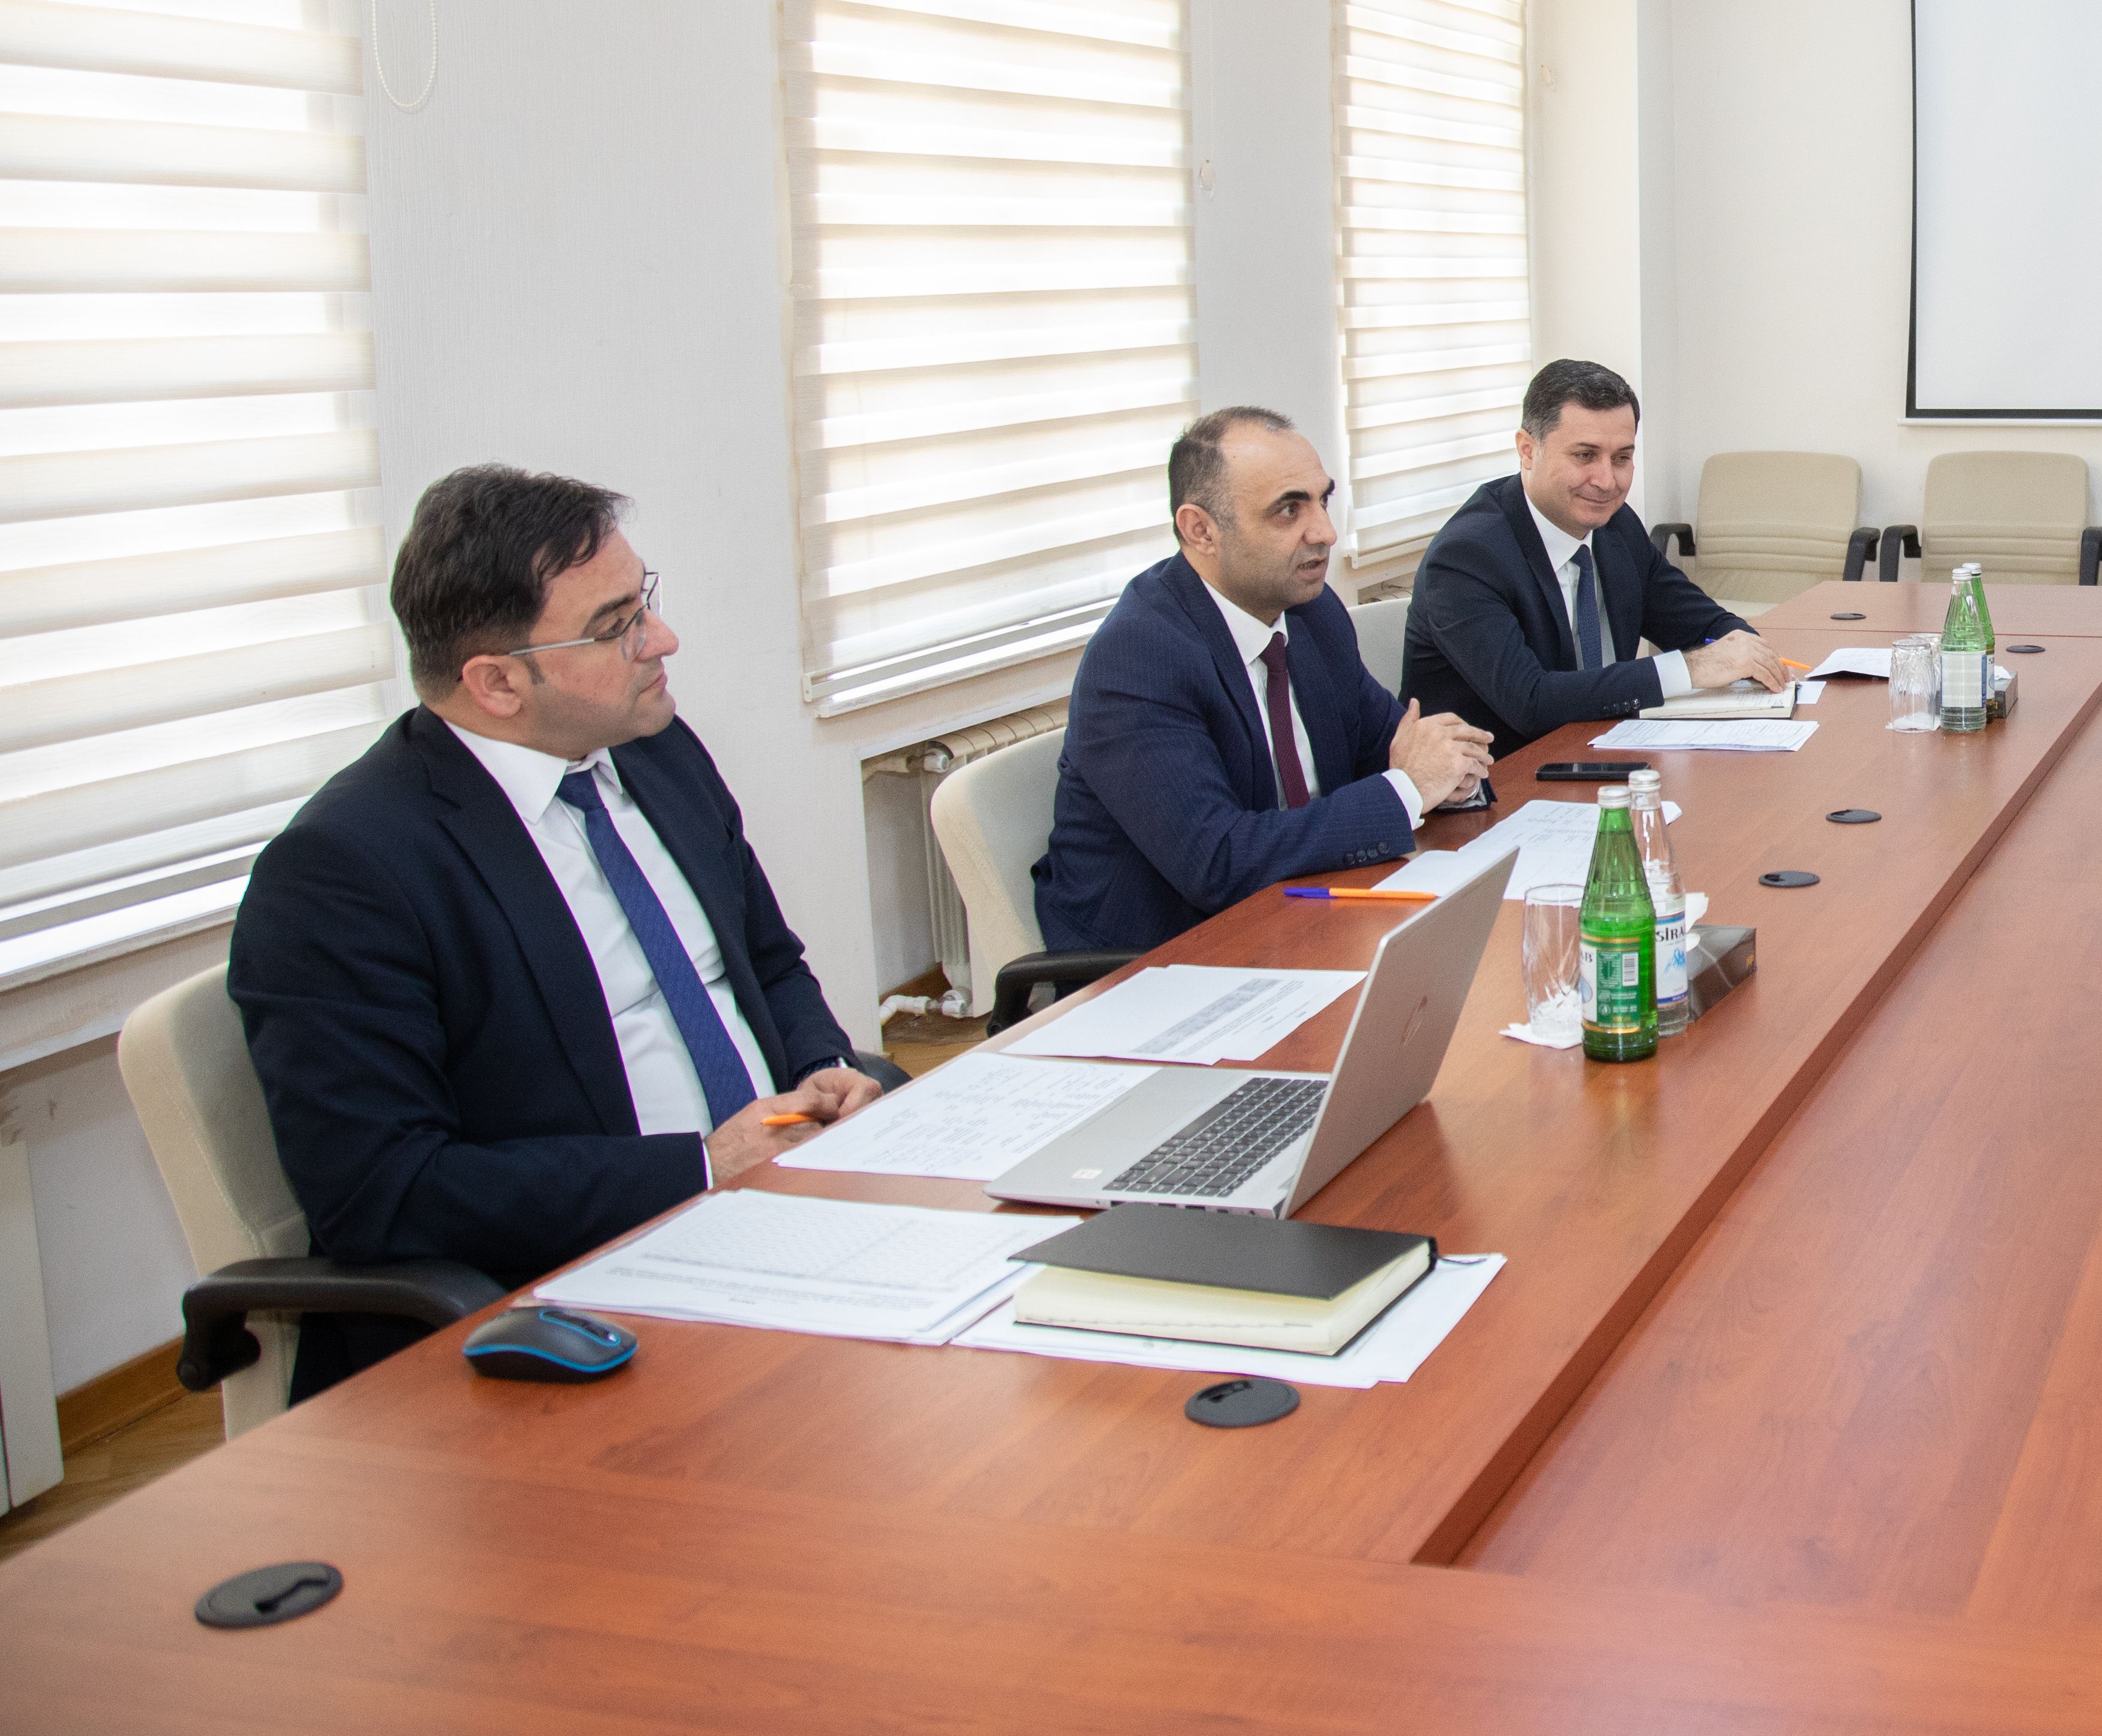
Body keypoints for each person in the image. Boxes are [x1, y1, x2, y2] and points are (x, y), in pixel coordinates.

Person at [232, 467, 879, 1399]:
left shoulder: (653, 747)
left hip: (782, 1213)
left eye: (643, 600)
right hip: (576, 1290)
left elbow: (765, 959)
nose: (662, 638)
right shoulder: (346, 869)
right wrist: (700, 1166)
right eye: (617, 625)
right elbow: (385, 1190)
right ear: (496, 681)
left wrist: (820, 1065)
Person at [1035, 408, 1495, 950]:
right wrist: (1410, 788)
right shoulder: (1138, 656)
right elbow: (1218, 860)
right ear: (1200, 529)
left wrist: (1451, 776)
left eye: (1322, 500)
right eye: (1288, 510)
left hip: (1308, 915)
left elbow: (1394, 746)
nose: (1324, 532)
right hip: (1166, 957)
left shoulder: (1313, 614)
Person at [1402, 359, 1789, 759]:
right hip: (1500, 776)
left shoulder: (1615, 526)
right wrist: (1691, 669)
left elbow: (1704, 626)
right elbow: (1530, 701)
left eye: (1621, 458)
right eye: (1585, 455)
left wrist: (1747, 653)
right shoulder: (1466, 557)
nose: (1607, 482)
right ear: (1527, 450)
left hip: (1605, 754)